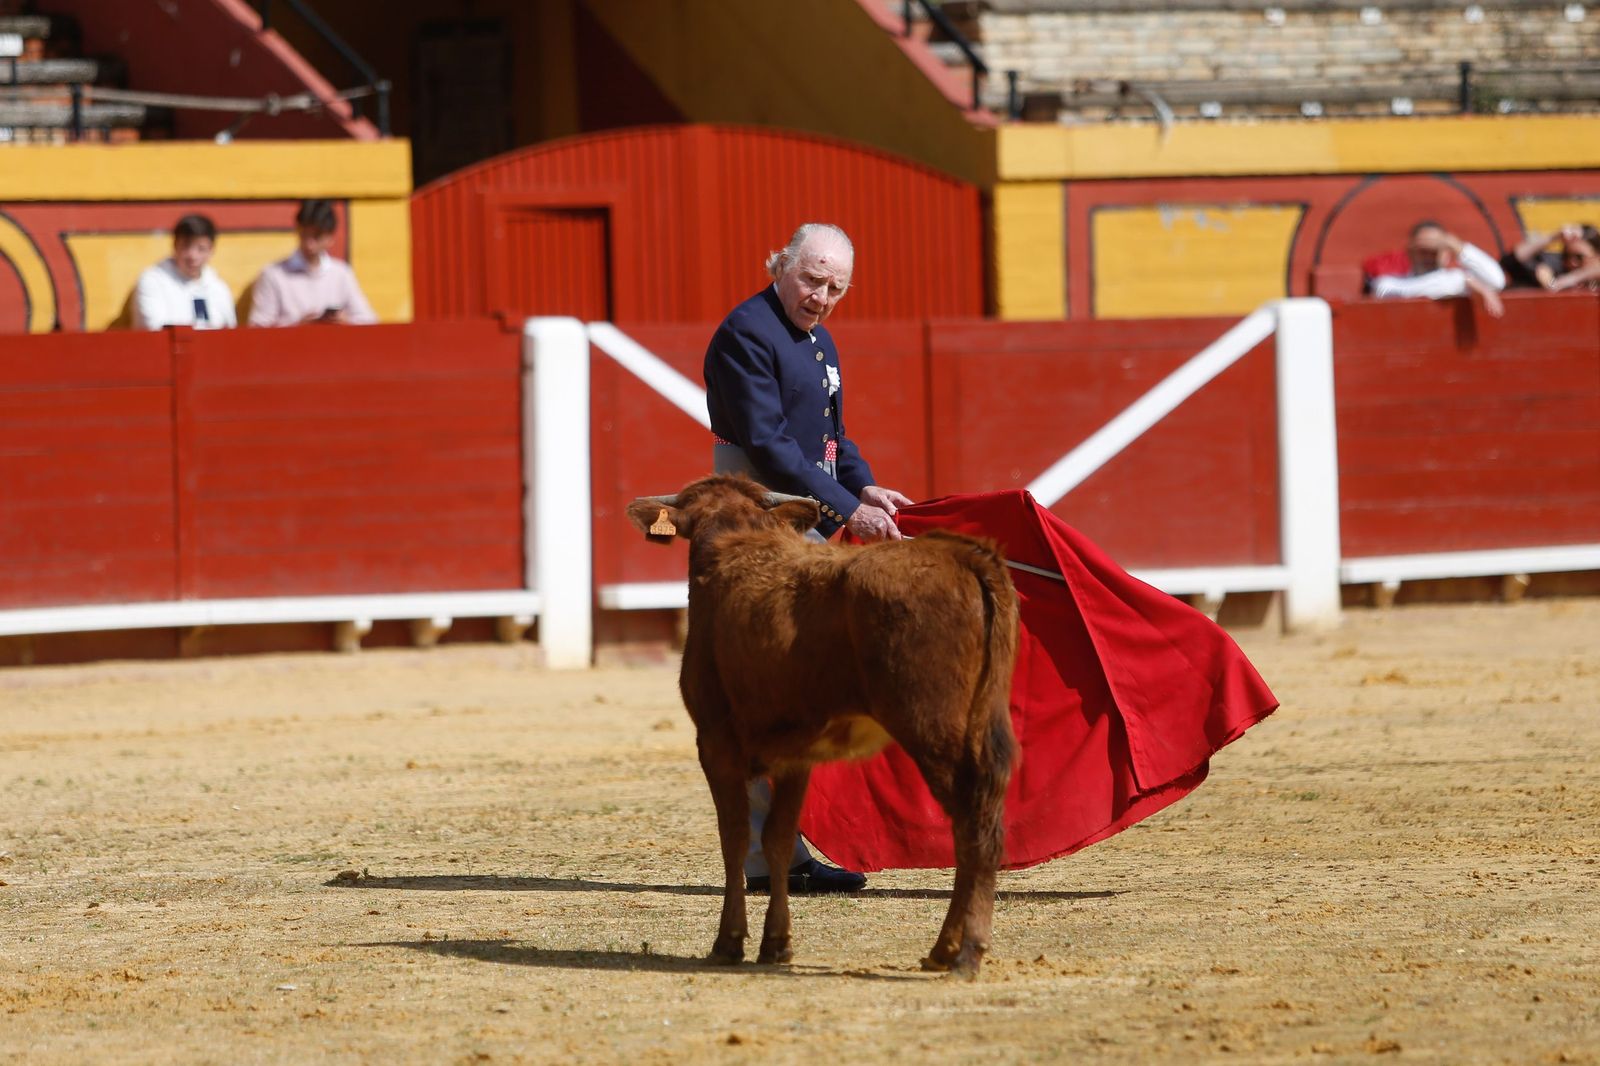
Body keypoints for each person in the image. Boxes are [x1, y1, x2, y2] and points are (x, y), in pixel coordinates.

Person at [703, 222, 913, 895]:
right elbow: (768, 446)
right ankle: (772, 856)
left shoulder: (815, 338)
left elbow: (828, 437)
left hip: (800, 510)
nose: (820, 295)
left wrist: (863, 485)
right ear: (780, 265)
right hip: (760, 516)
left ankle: (784, 848)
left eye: (834, 288)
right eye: (811, 279)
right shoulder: (748, 332)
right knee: (773, 683)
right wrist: (846, 510)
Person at [247, 199, 377, 327]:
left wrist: (345, 321)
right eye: (304, 234)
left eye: (317, 236)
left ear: (330, 237)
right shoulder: (273, 275)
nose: (309, 244)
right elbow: (257, 330)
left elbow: (369, 323)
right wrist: (298, 327)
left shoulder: (341, 274)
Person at [1366, 220, 1507, 318]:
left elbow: (1497, 281)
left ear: (1446, 254)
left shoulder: (1460, 280)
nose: (1428, 257)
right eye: (1423, 251)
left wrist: (1457, 246)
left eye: (1434, 251)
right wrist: (1464, 280)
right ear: (1410, 252)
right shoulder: (1389, 283)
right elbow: (1402, 291)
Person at [130, 214, 237, 330]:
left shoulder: (218, 287)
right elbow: (155, 331)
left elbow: (230, 332)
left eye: (201, 248)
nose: (193, 256)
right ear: (175, 245)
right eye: (186, 246)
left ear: (211, 250)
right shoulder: (152, 281)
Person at [1502, 223, 1600, 292]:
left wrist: (1577, 277)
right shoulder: (1559, 267)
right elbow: (1511, 261)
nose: (1572, 262)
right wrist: (1553, 237)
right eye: (1566, 256)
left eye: (1579, 257)